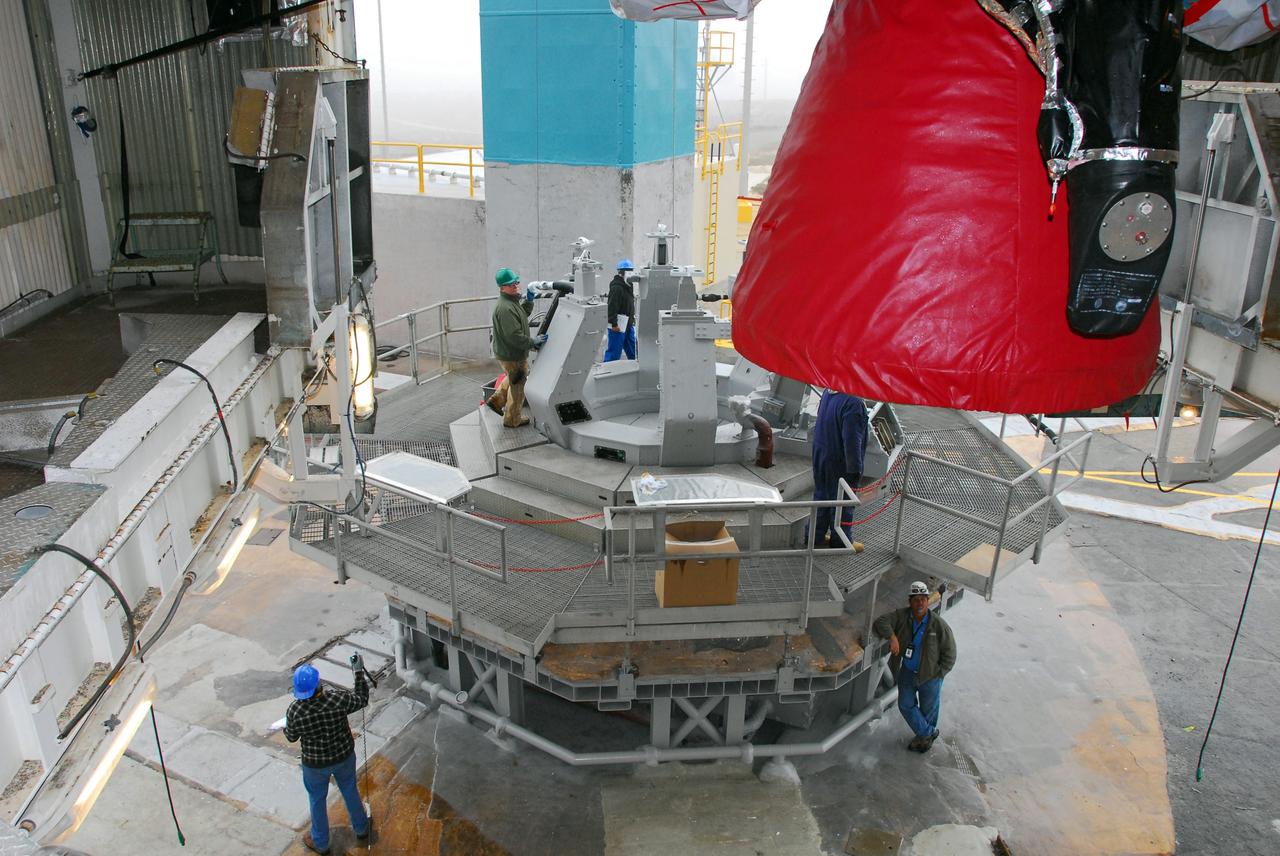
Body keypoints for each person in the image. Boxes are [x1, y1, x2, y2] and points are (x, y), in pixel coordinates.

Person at [284, 659, 372, 854]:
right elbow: (361, 699)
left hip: (314, 765)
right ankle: (361, 828)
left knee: (316, 799)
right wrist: (358, 672)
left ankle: (321, 843)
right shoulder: (337, 699)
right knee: (349, 789)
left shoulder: (295, 711)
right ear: (318, 684)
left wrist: (286, 726)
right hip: (343, 757)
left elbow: (291, 737)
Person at [872, 581, 957, 753]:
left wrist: (939, 674)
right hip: (908, 672)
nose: (919, 604)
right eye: (916, 600)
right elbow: (882, 621)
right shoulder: (903, 616)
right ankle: (928, 733)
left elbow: (950, 653)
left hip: (930, 676)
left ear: (927, 601)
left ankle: (923, 739)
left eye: (923, 599)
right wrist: (893, 637)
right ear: (910, 602)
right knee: (905, 704)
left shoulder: (939, 625)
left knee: (928, 711)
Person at [485, 267, 546, 428]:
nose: (516, 286)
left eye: (516, 282)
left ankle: (496, 401)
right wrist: (533, 342)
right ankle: (512, 419)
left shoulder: (511, 302)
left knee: (513, 378)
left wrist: (530, 300)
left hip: (509, 353)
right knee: (518, 386)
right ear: (502, 287)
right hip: (512, 355)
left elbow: (522, 314)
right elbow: (513, 336)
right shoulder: (505, 308)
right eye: (511, 284)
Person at [811, 388, 868, 548]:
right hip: (840, 463)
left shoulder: (828, 392)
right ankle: (841, 541)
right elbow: (852, 441)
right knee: (843, 503)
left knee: (821, 497)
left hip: (821, 455)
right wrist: (855, 470)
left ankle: (813, 537)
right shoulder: (853, 403)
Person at [604, 259, 638, 361]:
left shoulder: (628, 285)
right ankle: (608, 371)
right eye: (628, 271)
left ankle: (637, 369)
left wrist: (632, 320)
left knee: (633, 350)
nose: (631, 273)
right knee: (614, 352)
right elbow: (612, 307)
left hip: (628, 324)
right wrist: (614, 324)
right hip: (618, 325)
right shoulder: (617, 288)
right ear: (621, 273)